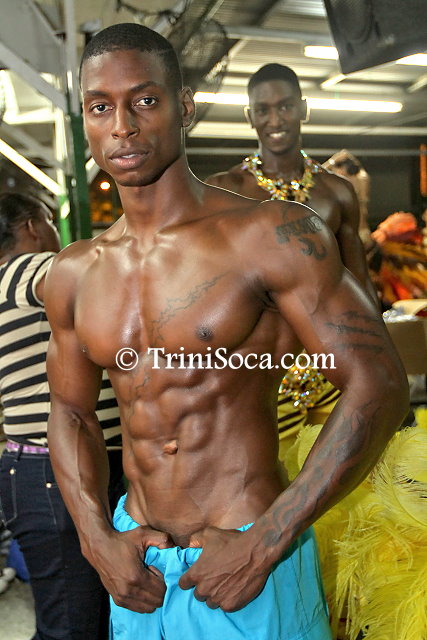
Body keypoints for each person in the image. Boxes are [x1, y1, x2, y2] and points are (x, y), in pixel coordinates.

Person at [44, 23, 408, 640]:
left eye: (145, 100)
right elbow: (71, 411)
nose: (123, 126)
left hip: (248, 558)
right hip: (138, 567)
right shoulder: (75, 271)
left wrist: (268, 539)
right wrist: (96, 537)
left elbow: (378, 382)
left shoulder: (268, 236)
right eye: (100, 107)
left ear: (184, 107)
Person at [206, 64, 378, 456]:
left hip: (332, 366)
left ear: (303, 109)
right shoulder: (225, 191)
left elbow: (360, 284)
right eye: (263, 110)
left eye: (285, 107)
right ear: (249, 116)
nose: (275, 120)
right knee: (273, 481)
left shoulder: (337, 192)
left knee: (345, 479)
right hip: (263, 371)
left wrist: (379, 364)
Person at [0, 193, 123, 639]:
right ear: (33, 226)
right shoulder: (22, 269)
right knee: (74, 625)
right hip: (54, 471)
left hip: (46, 469)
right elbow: (83, 270)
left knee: (76, 619)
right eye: (51, 221)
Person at [323, 149, 372, 246]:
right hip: (344, 233)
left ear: (343, 168)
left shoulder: (360, 179)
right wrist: (332, 161)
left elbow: (318, 174)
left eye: (336, 169)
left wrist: (334, 161)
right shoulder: (339, 184)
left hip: (359, 232)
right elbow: (316, 175)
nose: (335, 173)